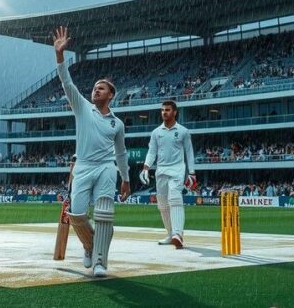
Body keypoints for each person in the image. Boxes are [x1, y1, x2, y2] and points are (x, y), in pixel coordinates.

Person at [53, 26, 130, 278]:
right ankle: (90, 245)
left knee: (105, 214)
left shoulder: (117, 123)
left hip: (106, 168)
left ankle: (100, 262)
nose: (95, 90)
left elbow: (121, 154)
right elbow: (67, 82)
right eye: (95, 87)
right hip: (83, 166)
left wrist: (126, 179)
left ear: (111, 95)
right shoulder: (83, 108)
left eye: (101, 88)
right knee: (75, 213)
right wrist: (60, 56)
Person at [140, 100, 195, 249]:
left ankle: (178, 234)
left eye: (168, 110)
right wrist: (146, 167)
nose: (164, 112)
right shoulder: (156, 132)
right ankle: (171, 235)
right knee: (162, 205)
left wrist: (192, 172)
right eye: (163, 110)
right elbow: (152, 152)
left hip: (177, 169)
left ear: (175, 112)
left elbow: (189, 152)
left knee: (175, 198)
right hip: (161, 170)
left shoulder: (183, 131)